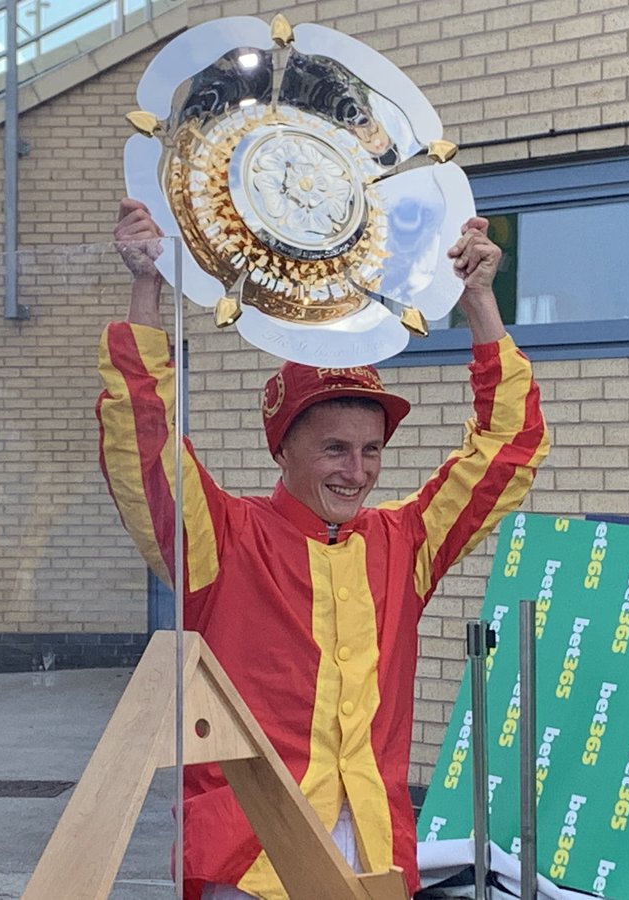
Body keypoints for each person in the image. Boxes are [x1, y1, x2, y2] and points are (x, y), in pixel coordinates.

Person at [98, 198, 549, 900]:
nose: (357, 470)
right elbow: (143, 444)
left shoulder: (406, 540)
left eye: (370, 450)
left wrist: (479, 300)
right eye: (334, 448)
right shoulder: (223, 538)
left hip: (373, 852)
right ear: (284, 450)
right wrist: (147, 286)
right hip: (249, 863)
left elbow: (508, 446)